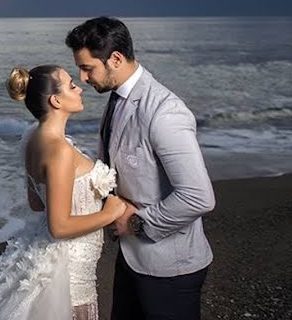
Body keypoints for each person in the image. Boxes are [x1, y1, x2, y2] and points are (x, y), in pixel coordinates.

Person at [65, 17, 215, 320]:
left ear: (116, 59)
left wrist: (134, 224)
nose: (82, 78)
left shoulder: (164, 111)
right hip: (132, 259)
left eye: (87, 68)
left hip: (170, 268)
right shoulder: (118, 97)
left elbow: (199, 196)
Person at [0, 65, 127, 320]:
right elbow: (58, 227)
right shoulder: (59, 150)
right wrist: (109, 212)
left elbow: (37, 203)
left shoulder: (33, 138)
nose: (79, 87)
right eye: (71, 85)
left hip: (55, 253)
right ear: (56, 100)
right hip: (69, 263)